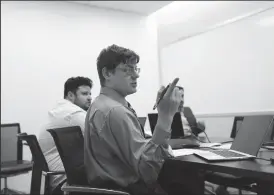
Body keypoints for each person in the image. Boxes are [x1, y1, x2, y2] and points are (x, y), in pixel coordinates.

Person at [84, 44, 184, 195]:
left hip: (114, 187)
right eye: (127, 70)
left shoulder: (101, 104)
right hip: (130, 190)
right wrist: (165, 117)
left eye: (135, 69)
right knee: (189, 180)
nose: (136, 75)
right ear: (107, 73)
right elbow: (148, 173)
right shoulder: (115, 111)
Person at [38, 76, 93, 195]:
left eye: (90, 93)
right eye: (84, 94)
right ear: (71, 95)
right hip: (65, 183)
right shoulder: (73, 114)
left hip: (59, 179)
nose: (89, 98)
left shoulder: (61, 110)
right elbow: (102, 134)